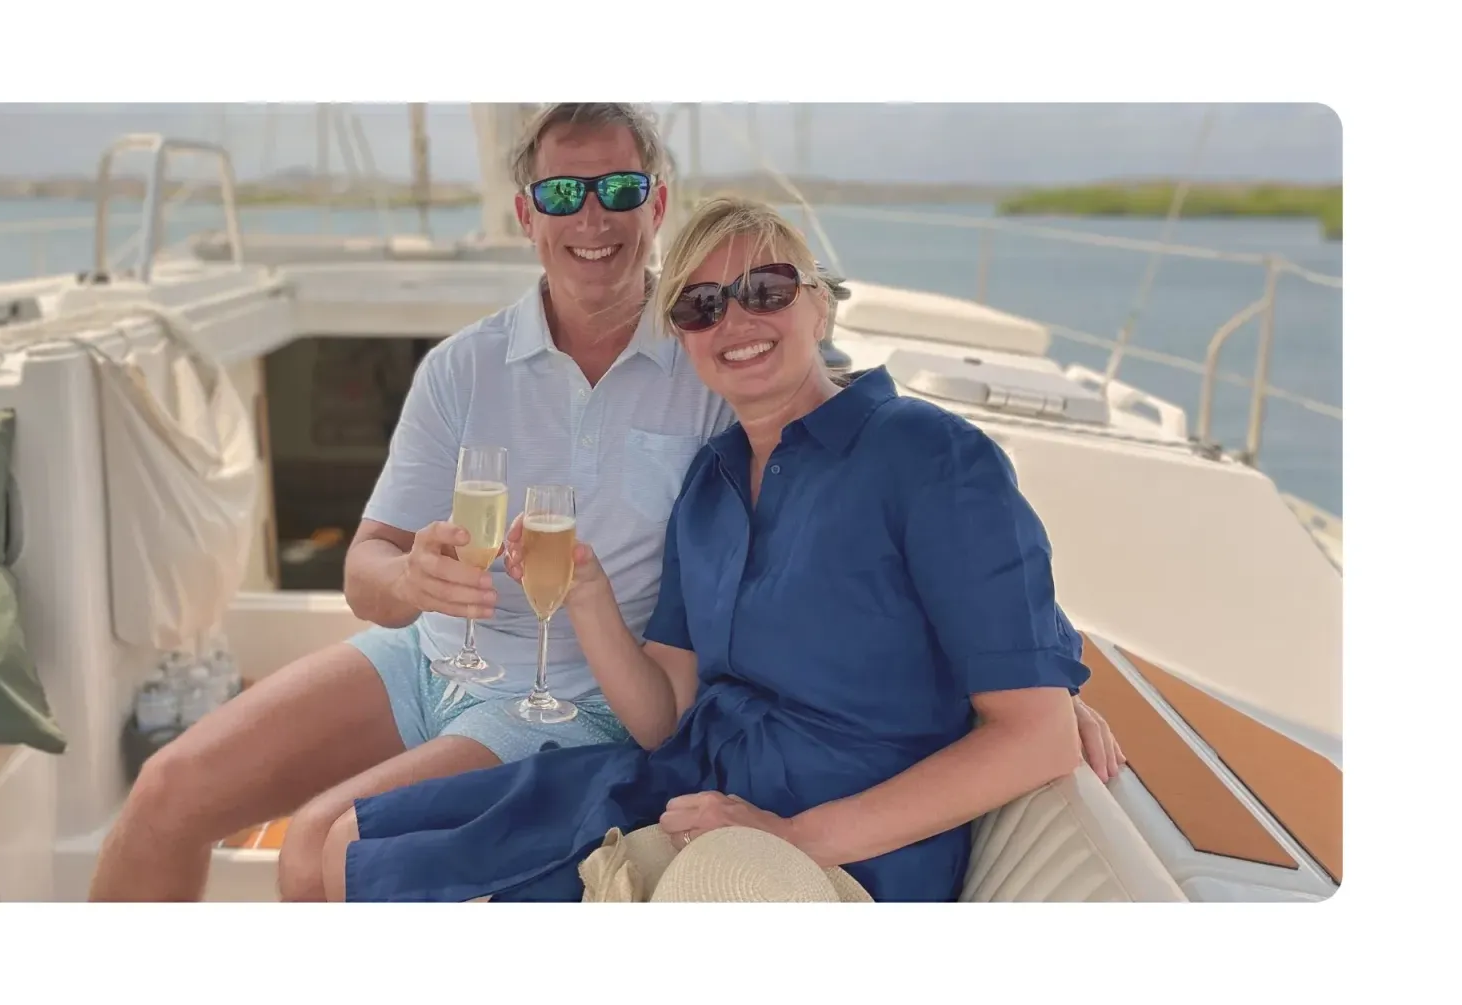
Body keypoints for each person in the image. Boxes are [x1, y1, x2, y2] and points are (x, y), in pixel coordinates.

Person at [86, 104, 1123, 903]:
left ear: (655, 208)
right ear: (526, 214)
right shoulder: (471, 369)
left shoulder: (720, 362)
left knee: (322, 843)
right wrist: (411, 576)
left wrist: (1033, 676)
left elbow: (851, 428)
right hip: (443, 655)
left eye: (621, 190)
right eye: (565, 195)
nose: (595, 218)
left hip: (583, 694)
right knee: (168, 793)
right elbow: (366, 574)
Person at [320, 194, 1098, 903]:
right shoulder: (710, 483)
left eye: (766, 289)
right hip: (683, 789)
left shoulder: (928, 455)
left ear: (819, 307)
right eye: (700, 305)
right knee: (357, 846)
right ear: (685, 341)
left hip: (838, 854)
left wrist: (794, 837)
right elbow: (666, 714)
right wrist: (586, 597)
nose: (735, 320)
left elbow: (1036, 731)